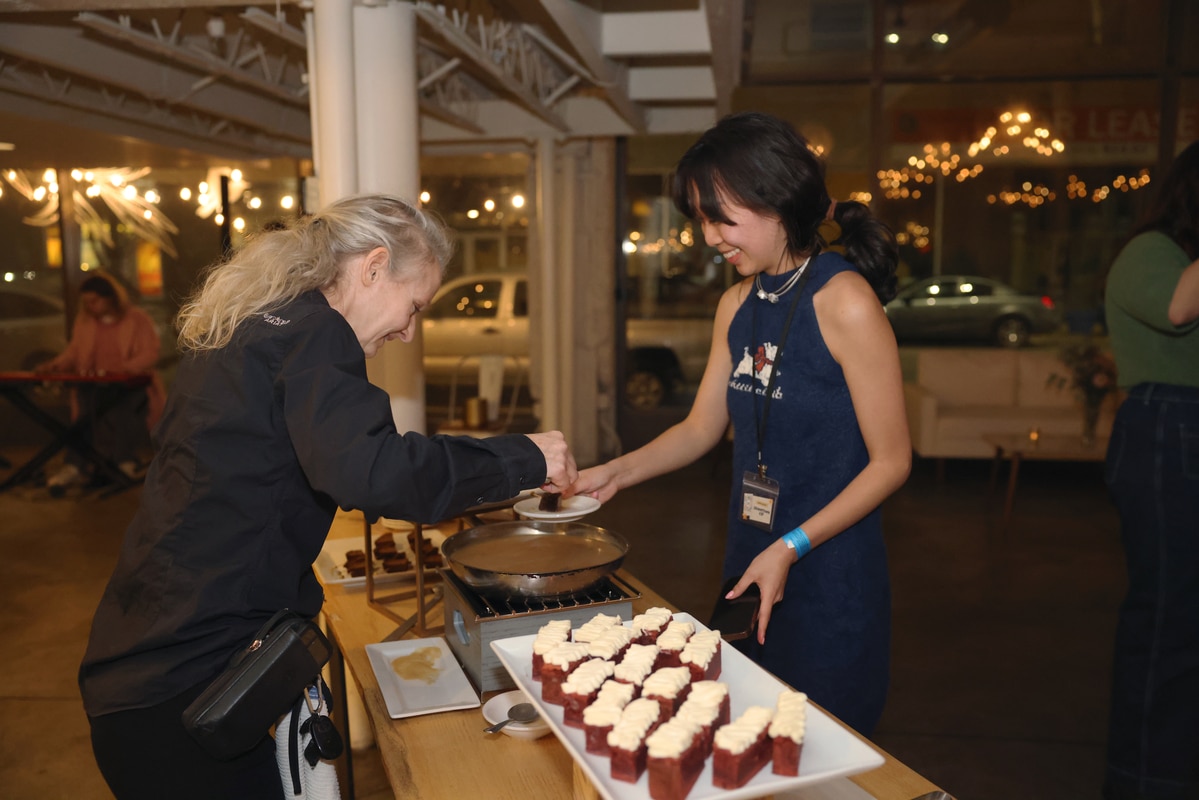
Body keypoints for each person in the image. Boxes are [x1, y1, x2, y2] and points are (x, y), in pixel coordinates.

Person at [78, 194, 578, 799]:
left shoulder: (257, 324)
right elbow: (376, 472)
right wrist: (524, 455)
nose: (408, 330)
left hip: (140, 668)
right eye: (414, 304)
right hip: (184, 690)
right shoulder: (316, 333)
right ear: (372, 267)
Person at [566, 112, 911, 734]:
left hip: (827, 566)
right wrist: (612, 473)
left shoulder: (845, 301)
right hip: (751, 555)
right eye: (699, 218)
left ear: (778, 201)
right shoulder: (735, 303)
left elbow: (892, 462)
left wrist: (792, 545)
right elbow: (701, 428)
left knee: (825, 745)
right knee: (750, 733)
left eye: (720, 217)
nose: (707, 237)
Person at [1102, 140, 1199, 800]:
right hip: (1167, 429)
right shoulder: (1150, 252)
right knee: (1169, 622)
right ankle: (1143, 785)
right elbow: (1176, 310)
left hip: (1180, 429)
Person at [37, 271, 165, 493]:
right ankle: (75, 463)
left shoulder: (138, 319)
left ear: (111, 298)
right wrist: (54, 365)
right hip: (94, 384)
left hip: (129, 383)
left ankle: (123, 459)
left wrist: (123, 369)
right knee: (84, 418)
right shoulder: (85, 321)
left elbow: (150, 353)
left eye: (94, 301)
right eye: (86, 302)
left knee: (127, 410)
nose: (90, 306)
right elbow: (74, 352)